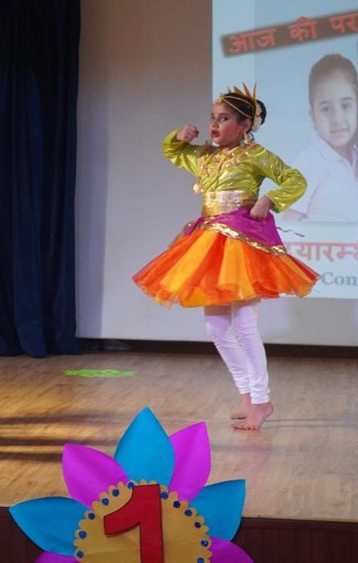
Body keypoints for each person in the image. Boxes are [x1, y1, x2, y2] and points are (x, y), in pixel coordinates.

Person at [132, 84, 319, 431]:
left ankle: (262, 401)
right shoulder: (204, 155)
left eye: (224, 118)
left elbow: (295, 179)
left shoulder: (256, 155)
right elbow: (171, 150)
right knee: (216, 327)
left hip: (242, 244)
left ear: (244, 125)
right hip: (208, 240)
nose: (215, 124)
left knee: (245, 325)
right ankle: (246, 393)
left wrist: (269, 200)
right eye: (212, 118)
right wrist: (179, 136)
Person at [283, 53, 358, 222]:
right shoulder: (309, 162)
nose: (337, 119)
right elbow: (289, 222)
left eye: (346, 106)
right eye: (326, 109)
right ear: (313, 117)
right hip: (322, 240)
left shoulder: (355, 159)